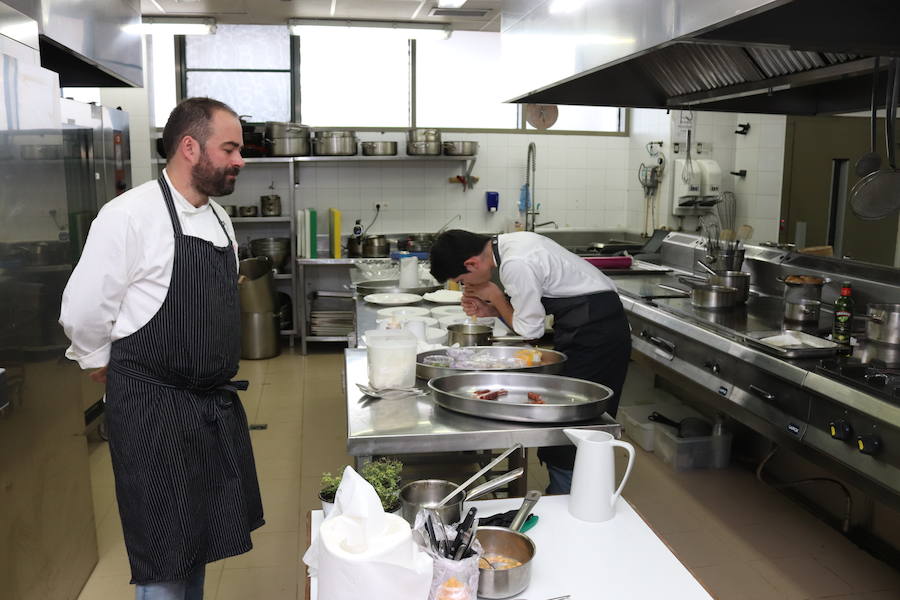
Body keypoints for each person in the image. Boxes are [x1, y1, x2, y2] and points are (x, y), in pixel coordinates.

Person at [60, 97, 264, 599]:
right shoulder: (129, 215)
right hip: (152, 408)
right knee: (165, 553)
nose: (241, 160)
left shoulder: (219, 219)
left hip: (208, 404)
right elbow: (82, 310)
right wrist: (98, 359)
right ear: (190, 148)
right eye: (230, 148)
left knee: (196, 540)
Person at [429, 230, 631, 494]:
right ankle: (567, 490)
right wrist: (492, 310)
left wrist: (496, 296)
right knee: (570, 417)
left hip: (597, 334)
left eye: (461, 280)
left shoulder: (515, 263)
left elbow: (530, 331)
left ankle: (571, 498)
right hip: (588, 325)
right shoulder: (511, 244)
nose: (466, 286)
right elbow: (533, 313)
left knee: (577, 421)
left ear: (471, 264)